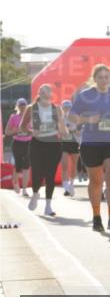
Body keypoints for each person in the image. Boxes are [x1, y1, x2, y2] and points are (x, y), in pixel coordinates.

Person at [68, 65, 110, 232]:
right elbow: (71, 116)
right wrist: (87, 119)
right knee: (96, 181)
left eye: (107, 76)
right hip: (91, 143)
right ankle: (96, 217)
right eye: (100, 77)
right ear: (94, 78)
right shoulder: (85, 96)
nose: (104, 80)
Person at [19, 85, 69, 216]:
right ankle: (35, 193)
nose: (46, 94)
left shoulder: (56, 109)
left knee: (50, 175)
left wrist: (65, 132)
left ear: (51, 94)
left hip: (53, 143)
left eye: (48, 92)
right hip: (37, 143)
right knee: (37, 172)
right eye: (43, 92)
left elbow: (62, 128)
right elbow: (22, 127)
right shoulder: (31, 108)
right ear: (39, 93)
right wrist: (31, 131)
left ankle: (48, 206)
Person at [5, 99, 32, 196]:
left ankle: (24, 189)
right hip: (17, 143)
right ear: (17, 106)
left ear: (27, 105)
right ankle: (15, 183)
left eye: (24, 104)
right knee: (18, 164)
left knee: (27, 165)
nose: (22, 106)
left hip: (28, 142)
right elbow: (7, 132)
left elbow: (36, 129)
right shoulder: (13, 117)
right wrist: (15, 131)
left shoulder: (31, 117)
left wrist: (29, 130)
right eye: (20, 105)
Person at [59, 99, 79, 196]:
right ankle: (66, 187)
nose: (67, 109)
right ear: (62, 108)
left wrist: (73, 128)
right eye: (65, 107)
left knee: (74, 164)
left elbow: (77, 129)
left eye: (68, 107)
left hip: (74, 141)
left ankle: (71, 184)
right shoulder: (60, 117)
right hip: (64, 142)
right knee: (64, 165)